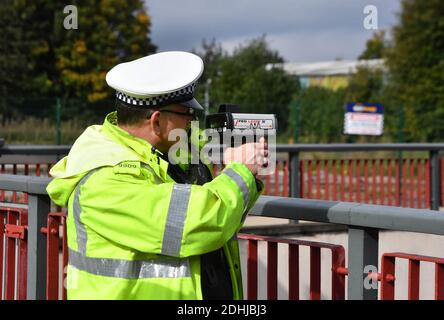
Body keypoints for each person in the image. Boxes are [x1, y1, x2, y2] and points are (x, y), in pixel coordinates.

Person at [46, 51, 268, 300]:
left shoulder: (163, 154)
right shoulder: (105, 179)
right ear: (156, 122)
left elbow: (220, 208)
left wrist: (243, 162)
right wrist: (240, 171)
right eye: (187, 115)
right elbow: (200, 222)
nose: (192, 123)